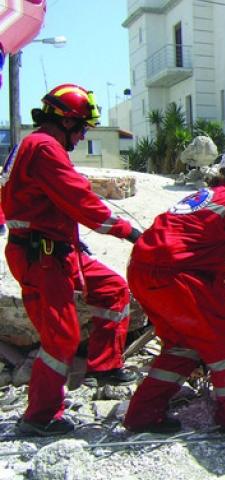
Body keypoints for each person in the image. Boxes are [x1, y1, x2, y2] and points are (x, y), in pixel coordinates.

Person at [1, 84, 140, 436]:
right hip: (42, 254)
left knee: (112, 290)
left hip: (56, 248)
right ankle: (40, 417)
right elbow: (78, 199)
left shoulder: (35, 146)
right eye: (81, 129)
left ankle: (105, 366)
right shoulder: (45, 148)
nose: (81, 137)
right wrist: (129, 232)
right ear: (66, 121)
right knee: (60, 338)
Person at [123, 147, 225, 435]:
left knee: (182, 345)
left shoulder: (204, 196)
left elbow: (196, 242)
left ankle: (142, 415)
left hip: (144, 271)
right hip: (177, 277)